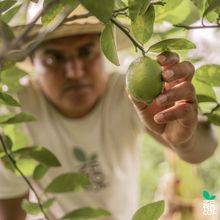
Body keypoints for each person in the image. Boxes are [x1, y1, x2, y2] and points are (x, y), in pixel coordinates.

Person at [0, 7, 218, 220]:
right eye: (53, 58)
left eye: (86, 52)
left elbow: (203, 149)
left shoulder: (127, 93)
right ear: (33, 63)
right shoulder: (15, 111)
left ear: (103, 49)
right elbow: (10, 210)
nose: (74, 72)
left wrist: (184, 139)